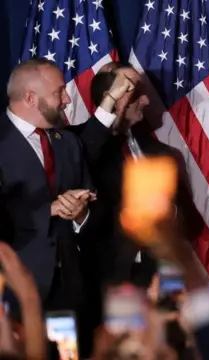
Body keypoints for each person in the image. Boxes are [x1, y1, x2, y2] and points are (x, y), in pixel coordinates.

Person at [80, 62, 199, 289]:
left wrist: (169, 210)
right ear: (112, 98)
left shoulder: (161, 152)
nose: (145, 101)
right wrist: (112, 105)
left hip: (161, 278)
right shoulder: (79, 145)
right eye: (136, 94)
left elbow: (189, 219)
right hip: (112, 282)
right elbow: (87, 153)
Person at [0, 59, 95, 312]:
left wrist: (81, 214)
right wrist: (48, 210)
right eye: (59, 92)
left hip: (69, 290)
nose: (67, 99)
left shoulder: (69, 142)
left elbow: (93, 204)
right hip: (14, 292)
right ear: (31, 98)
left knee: (70, 353)